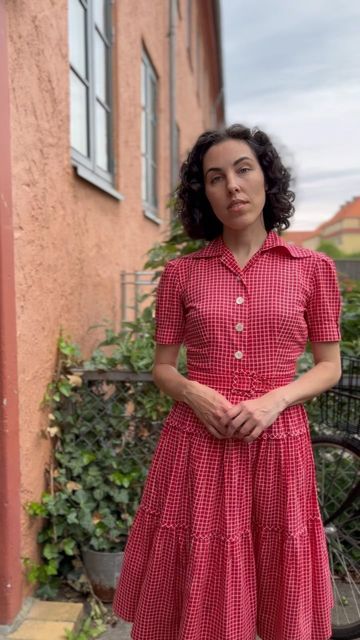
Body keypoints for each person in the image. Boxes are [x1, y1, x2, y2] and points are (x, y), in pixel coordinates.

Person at [113, 124, 342, 640]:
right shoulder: (181, 274)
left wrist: (274, 402)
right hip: (197, 444)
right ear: (205, 194)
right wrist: (194, 392)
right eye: (214, 178)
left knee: (277, 593)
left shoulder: (314, 270)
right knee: (197, 586)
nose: (232, 187)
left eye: (243, 170)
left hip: (278, 446)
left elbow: (330, 366)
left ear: (266, 178)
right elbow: (163, 367)